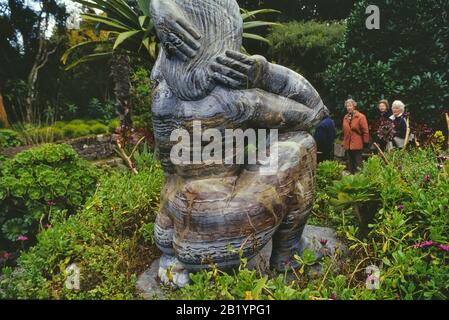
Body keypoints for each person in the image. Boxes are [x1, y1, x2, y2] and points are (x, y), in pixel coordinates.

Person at [342, 99, 370, 174]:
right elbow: (344, 132)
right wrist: (344, 142)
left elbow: (365, 131)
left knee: (358, 163)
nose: (349, 107)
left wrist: (365, 143)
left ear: (354, 106)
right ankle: (351, 179)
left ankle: (359, 179)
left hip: (357, 143)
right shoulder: (345, 117)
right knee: (350, 163)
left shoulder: (361, 116)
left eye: (350, 105)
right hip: (348, 144)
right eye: (347, 106)